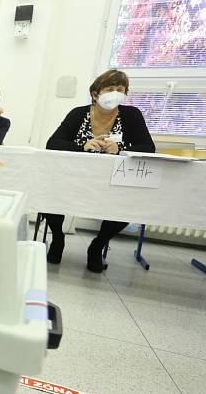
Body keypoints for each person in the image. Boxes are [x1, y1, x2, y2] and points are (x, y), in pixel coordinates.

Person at [43, 69, 155, 273]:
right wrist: (82, 146)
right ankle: (58, 239)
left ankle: (97, 245)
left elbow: (148, 148)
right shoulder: (78, 113)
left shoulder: (132, 115)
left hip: (114, 183)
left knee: (129, 205)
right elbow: (53, 143)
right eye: (110, 89)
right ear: (95, 94)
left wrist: (120, 150)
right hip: (74, 178)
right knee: (48, 192)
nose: (115, 93)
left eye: (120, 90)